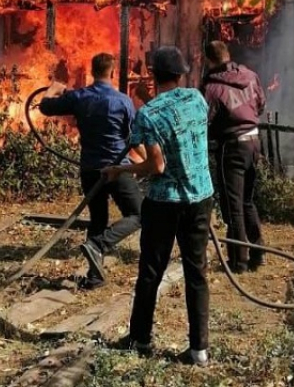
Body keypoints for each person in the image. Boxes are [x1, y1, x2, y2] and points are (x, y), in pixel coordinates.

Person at [102, 46, 214, 367]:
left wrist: (120, 170)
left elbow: (157, 166)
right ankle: (199, 351)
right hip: (200, 197)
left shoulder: (148, 114)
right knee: (197, 273)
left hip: (165, 202)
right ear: (180, 75)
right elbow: (185, 129)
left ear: (153, 76)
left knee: (151, 272)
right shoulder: (197, 98)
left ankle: (139, 339)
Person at [38, 53, 142, 289]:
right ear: (113, 72)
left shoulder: (79, 97)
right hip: (117, 168)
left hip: (90, 169)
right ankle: (100, 246)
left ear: (92, 71)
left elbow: (45, 107)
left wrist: (53, 88)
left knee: (98, 219)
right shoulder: (123, 101)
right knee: (140, 214)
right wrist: (146, 164)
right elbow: (134, 137)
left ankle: (95, 275)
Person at [201, 40, 266, 274]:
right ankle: (258, 253)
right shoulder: (250, 75)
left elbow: (204, 120)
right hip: (254, 143)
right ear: (228, 55)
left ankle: (239, 262)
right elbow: (260, 105)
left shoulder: (211, 87)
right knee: (247, 201)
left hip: (232, 147)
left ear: (208, 59)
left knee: (233, 207)